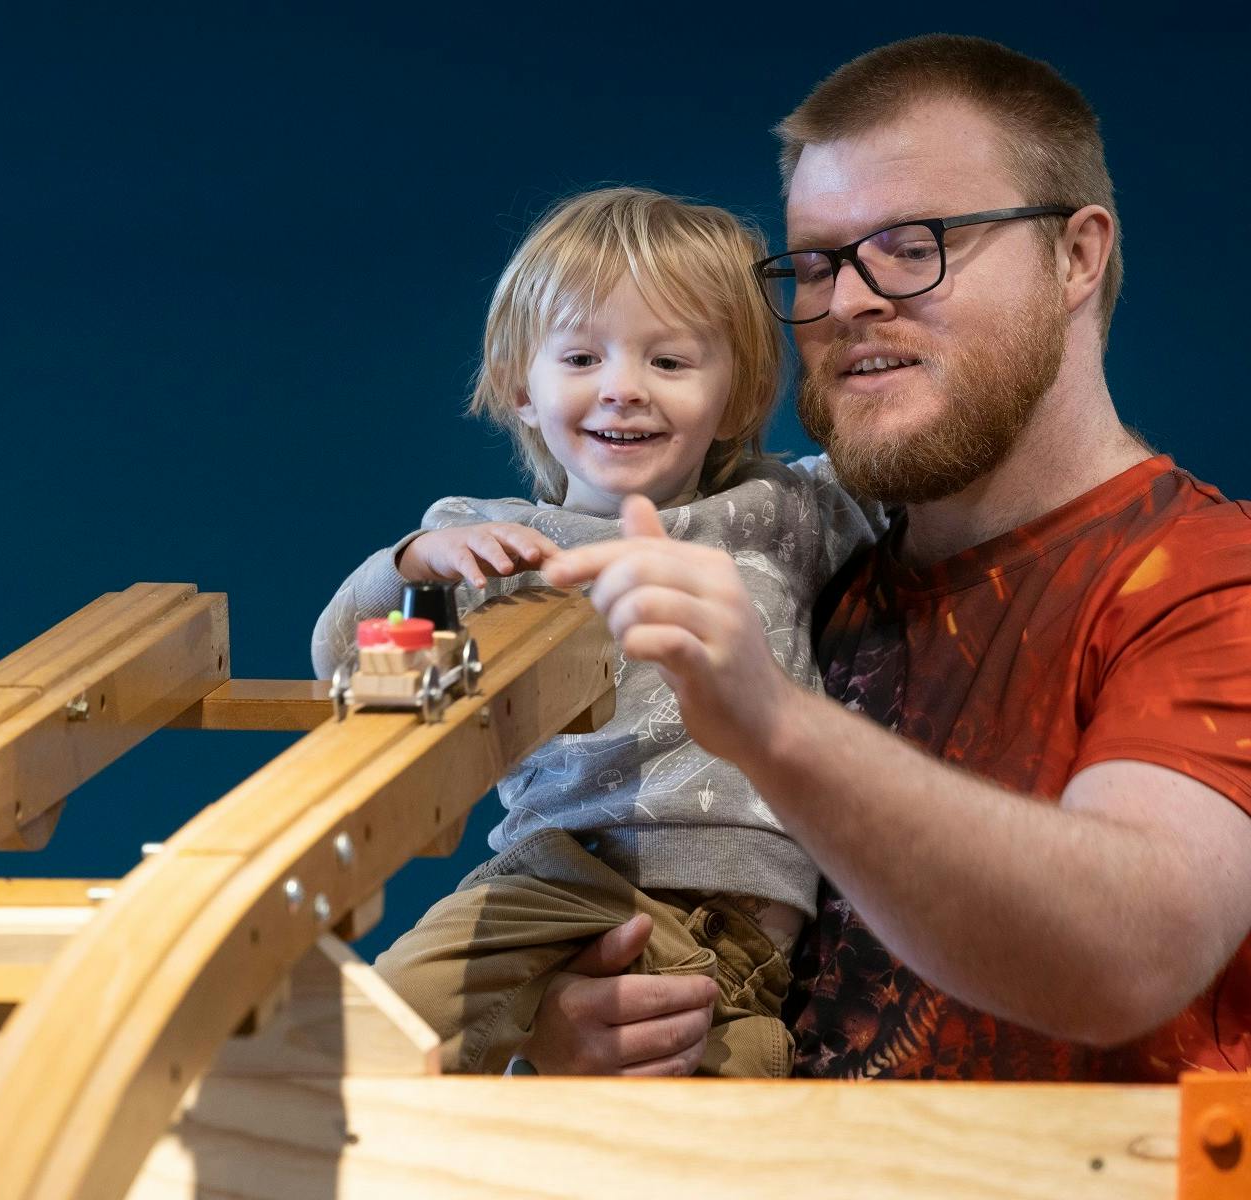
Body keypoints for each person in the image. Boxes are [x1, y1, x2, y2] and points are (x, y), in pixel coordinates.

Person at [532, 33, 1251, 1081]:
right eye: (817, 262)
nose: (851, 300)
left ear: (1076, 255)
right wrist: (582, 1026)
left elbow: (1133, 955)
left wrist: (775, 724)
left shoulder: (1203, 580)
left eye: (916, 245)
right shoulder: (800, 580)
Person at [311, 186, 878, 1076]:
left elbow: (936, 473)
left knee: (741, 1106)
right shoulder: (490, 541)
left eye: (671, 361)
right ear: (519, 390)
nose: (623, 388)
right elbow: (346, 662)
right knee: (382, 1024)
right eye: (581, 356)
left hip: (738, 931)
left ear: (736, 397)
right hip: (549, 881)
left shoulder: (785, 512)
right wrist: (414, 561)